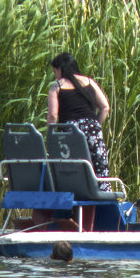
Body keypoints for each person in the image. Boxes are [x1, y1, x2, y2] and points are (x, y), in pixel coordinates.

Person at [47, 52, 111, 186]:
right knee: (99, 168)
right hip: (93, 130)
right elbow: (105, 107)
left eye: (55, 71)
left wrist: (51, 136)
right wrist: (94, 126)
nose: (55, 75)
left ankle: (73, 195)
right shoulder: (89, 82)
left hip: (70, 132)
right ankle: (103, 194)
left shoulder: (56, 86)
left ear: (60, 69)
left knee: (72, 170)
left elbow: (53, 115)